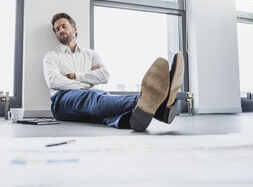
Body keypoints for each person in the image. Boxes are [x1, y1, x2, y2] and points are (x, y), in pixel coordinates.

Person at [43, 12, 184, 132]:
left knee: (101, 107)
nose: (60, 30)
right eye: (57, 29)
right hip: (61, 101)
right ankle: (150, 101)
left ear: (74, 29)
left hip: (91, 96)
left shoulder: (90, 55)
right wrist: (87, 83)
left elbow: (104, 76)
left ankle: (136, 118)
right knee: (94, 99)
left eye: (63, 26)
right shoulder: (52, 56)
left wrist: (74, 76)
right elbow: (54, 81)